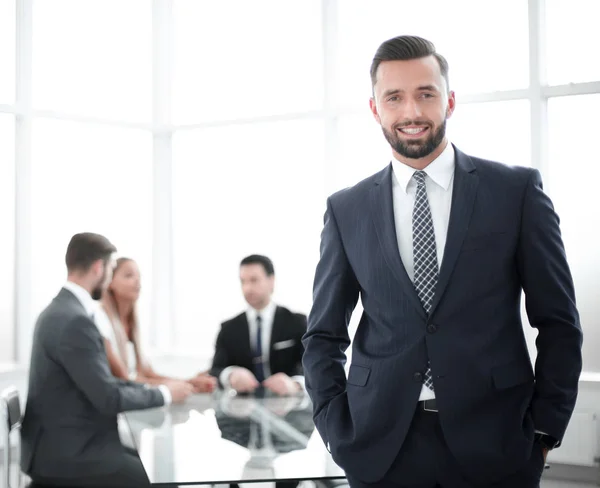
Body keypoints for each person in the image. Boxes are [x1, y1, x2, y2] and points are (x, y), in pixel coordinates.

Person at [302, 35, 583, 488]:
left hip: (498, 444)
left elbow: (558, 321)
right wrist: (336, 428)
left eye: (426, 94)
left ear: (449, 100)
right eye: (394, 97)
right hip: (380, 447)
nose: (411, 112)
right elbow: (322, 335)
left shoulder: (516, 192)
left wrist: (545, 428)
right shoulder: (346, 209)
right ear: (375, 108)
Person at [21, 233, 193, 487]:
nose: (111, 277)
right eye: (112, 269)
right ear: (99, 267)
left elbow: (106, 382)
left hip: (64, 445)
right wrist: (165, 394)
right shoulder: (74, 320)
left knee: (148, 463)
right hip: (68, 456)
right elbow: (108, 397)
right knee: (160, 477)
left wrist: (155, 389)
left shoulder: (62, 311)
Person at [96, 257, 216, 393]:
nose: (137, 281)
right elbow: (124, 379)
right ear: (110, 281)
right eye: (129, 275)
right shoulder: (101, 320)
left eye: (139, 276)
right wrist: (173, 387)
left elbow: (147, 373)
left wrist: (188, 382)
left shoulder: (133, 324)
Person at [210, 255, 306, 396]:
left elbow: (313, 364)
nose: (247, 288)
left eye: (254, 280)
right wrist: (230, 375)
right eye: (243, 281)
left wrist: (296, 384)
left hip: (290, 407)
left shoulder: (297, 323)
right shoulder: (228, 329)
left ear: (271, 281)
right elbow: (216, 369)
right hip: (242, 410)